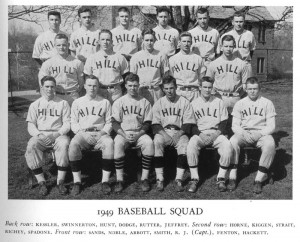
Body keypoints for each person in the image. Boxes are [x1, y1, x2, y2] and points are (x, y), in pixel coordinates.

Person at [68, 75, 114, 196]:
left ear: (98, 87)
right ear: (84, 86)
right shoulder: (77, 102)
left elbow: (109, 122)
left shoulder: (105, 102)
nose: (92, 88)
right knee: (73, 144)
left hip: (100, 133)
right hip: (83, 133)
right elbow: (73, 122)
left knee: (109, 143)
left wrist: (101, 133)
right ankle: (77, 182)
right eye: (89, 85)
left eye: (95, 85)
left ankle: (105, 181)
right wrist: (83, 133)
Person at [25, 76, 70, 196]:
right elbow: (31, 125)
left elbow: (67, 124)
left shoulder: (63, 103)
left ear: (55, 87)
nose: (50, 89)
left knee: (64, 144)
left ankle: (60, 182)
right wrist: (39, 135)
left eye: (52, 86)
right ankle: (42, 183)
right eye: (47, 86)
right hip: (41, 134)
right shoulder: (35, 104)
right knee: (31, 145)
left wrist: (57, 134)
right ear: (42, 87)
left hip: (58, 134)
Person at [229, 77, 276, 194]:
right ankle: (232, 177)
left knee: (270, 144)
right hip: (244, 133)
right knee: (232, 142)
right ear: (246, 89)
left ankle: (259, 179)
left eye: (255, 88)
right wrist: (243, 133)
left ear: (259, 88)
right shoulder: (240, 103)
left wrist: (259, 133)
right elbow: (235, 125)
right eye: (250, 89)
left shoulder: (267, 103)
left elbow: (272, 126)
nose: (252, 91)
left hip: (261, 133)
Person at [187, 76, 233, 193]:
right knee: (191, 145)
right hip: (200, 133)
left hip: (216, 133)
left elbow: (224, 122)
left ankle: (221, 178)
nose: (207, 90)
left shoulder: (218, 102)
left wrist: (215, 134)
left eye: (209, 87)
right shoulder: (193, 103)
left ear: (212, 88)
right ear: (200, 88)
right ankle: (194, 178)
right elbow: (191, 125)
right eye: (205, 87)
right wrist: (201, 135)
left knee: (227, 145)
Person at [152, 75, 195, 192]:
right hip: (163, 131)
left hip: (179, 131)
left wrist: (178, 134)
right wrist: (165, 135)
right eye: (166, 88)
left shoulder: (184, 102)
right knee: (157, 142)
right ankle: (160, 179)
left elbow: (188, 123)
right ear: (163, 89)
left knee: (184, 145)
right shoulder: (159, 103)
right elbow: (155, 124)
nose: (169, 91)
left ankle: (179, 179)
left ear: (176, 87)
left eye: (171, 88)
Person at [112, 73, 154, 193]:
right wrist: (124, 135)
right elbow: (114, 123)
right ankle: (119, 179)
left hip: (139, 132)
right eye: (130, 85)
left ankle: (144, 178)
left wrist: (138, 135)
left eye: (135, 85)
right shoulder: (119, 102)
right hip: (123, 133)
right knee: (117, 144)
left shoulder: (144, 102)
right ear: (125, 85)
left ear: (138, 85)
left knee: (149, 143)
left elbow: (147, 123)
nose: (132, 88)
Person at [206, 34, 250, 135]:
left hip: (235, 98)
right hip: (219, 97)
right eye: (226, 46)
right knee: (219, 127)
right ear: (221, 47)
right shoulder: (214, 64)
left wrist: (239, 95)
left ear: (234, 47)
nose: (228, 49)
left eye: (231, 46)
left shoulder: (241, 64)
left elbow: (245, 85)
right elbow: (208, 83)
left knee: (237, 127)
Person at [84, 29, 129, 104]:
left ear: (112, 41)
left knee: (117, 114)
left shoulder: (119, 57)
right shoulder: (92, 58)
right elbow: (87, 77)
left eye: (108, 40)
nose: (105, 42)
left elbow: (126, 76)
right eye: (102, 39)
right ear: (98, 41)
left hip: (116, 92)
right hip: (99, 91)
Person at [39, 34, 84, 106]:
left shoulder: (77, 63)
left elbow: (81, 83)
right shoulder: (48, 63)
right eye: (58, 45)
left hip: (72, 96)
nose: (61, 47)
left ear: (68, 45)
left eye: (64, 45)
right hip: (56, 96)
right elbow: (42, 84)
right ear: (54, 46)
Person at [130, 28, 169, 105]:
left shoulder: (161, 55)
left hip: (156, 90)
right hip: (141, 89)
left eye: (151, 40)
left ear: (155, 40)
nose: (149, 43)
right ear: (142, 40)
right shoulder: (136, 56)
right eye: (147, 40)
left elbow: (165, 75)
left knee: (157, 114)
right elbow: (132, 77)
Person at [169, 32, 205, 102]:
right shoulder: (172, 59)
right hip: (179, 91)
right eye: (184, 41)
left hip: (194, 92)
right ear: (179, 42)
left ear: (191, 43)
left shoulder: (198, 58)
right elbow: (171, 78)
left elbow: (202, 78)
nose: (186, 44)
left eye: (188, 41)